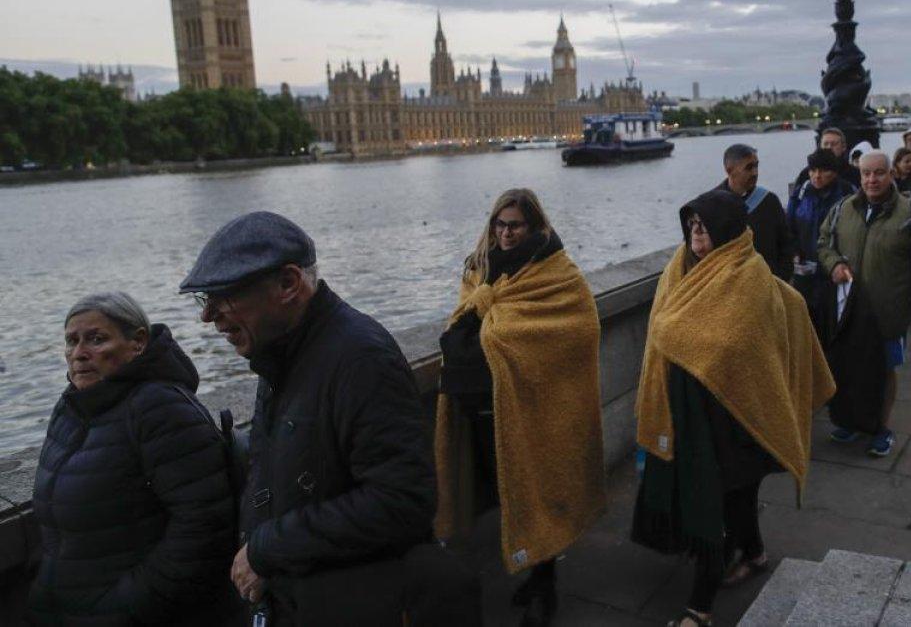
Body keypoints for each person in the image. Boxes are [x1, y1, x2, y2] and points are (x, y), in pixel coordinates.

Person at [180, 211, 480, 626]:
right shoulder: (283, 351)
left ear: (288, 284)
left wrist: (267, 547)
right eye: (205, 298)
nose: (208, 316)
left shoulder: (360, 358)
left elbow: (403, 501)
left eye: (224, 295)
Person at [632, 190, 835, 627]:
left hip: (735, 417)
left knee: (716, 508)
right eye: (690, 225)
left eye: (703, 225)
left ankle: (699, 610)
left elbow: (736, 345)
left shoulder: (748, 276)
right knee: (740, 497)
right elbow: (665, 328)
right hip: (689, 412)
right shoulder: (680, 268)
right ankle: (757, 554)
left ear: (726, 230)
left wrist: (680, 337)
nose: (695, 232)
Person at [436, 189, 604, 627]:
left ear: (533, 226)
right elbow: (461, 320)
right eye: (500, 224)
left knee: (535, 491)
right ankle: (533, 570)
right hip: (481, 408)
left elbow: (582, 327)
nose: (506, 233)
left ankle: (544, 584)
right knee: (508, 494)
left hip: (533, 405)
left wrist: (495, 334)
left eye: (515, 225)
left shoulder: (554, 269)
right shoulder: (480, 267)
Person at [28, 292, 239, 626]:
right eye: (72, 341)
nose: (79, 354)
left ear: (138, 342)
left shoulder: (160, 408)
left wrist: (126, 607)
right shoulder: (71, 407)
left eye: (96, 340)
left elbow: (203, 527)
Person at [817, 150, 911, 457]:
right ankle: (851, 421)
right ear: (859, 175)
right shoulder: (842, 209)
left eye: (878, 173)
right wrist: (834, 263)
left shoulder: (910, 215)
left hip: (886, 313)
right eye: (866, 174)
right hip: (848, 312)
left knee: (884, 371)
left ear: (891, 175)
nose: (872, 180)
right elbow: (824, 243)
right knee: (848, 367)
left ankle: (880, 427)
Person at [786, 148, 857, 324]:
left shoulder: (847, 193)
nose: (817, 176)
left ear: (834, 172)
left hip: (835, 270)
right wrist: (794, 251)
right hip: (806, 269)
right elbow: (789, 225)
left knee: (835, 321)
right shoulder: (801, 193)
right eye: (813, 170)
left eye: (823, 171)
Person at [715, 144, 793, 280]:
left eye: (756, 166)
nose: (755, 172)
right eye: (749, 168)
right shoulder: (712, 205)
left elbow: (786, 244)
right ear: (729, 170)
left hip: (769, 283)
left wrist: (781, 279)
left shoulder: (769, 201)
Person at [792, 127, 860, 191]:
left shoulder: (854, 174)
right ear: (820, 146)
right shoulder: (806, 173)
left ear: (843, 147)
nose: (829, 147)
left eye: (834, 144)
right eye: (826, 144)